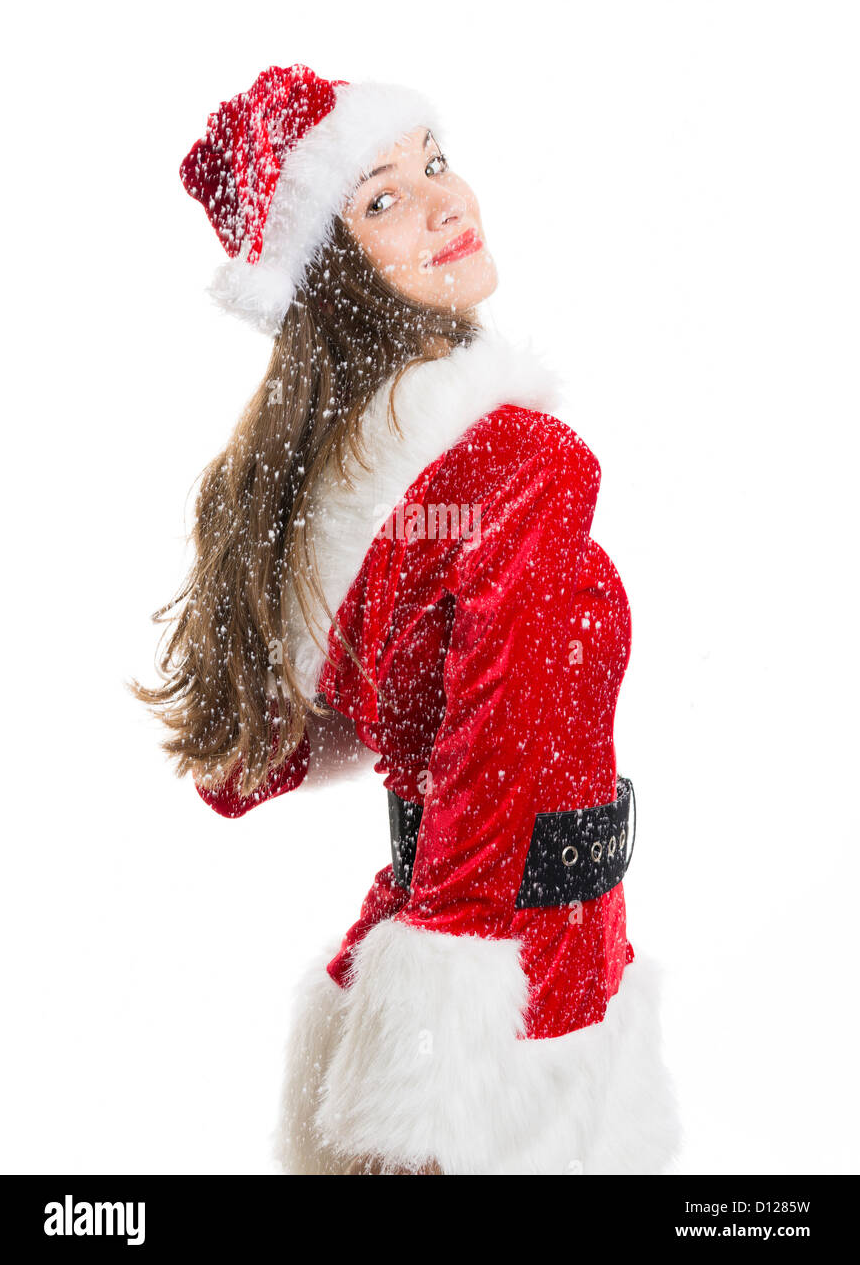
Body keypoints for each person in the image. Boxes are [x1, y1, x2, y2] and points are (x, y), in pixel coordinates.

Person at [134, 62, 680, 1175]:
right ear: (331, 274)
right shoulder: (520, 463)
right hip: (520, 1000)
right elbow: (488, 752)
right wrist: (436, 1070)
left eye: (434, 161)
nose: (445, 201)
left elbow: (249, 767)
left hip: (413, 945)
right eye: (380, 197)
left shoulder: (332, 482)